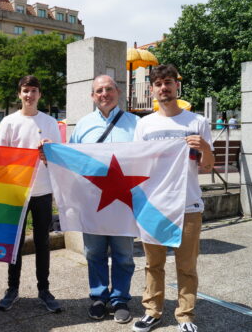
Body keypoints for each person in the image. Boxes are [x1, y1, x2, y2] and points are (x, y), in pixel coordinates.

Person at [132, 65, 214, 332]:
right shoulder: (144, 124)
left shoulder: (197, 122)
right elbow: (136, 164)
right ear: (152, 90)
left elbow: (208, 166)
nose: (163, 88)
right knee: (152, 264)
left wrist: (203, 147)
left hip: (187, 204)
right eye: (158, 84)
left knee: (187, 265)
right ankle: (152, 311)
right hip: (153, 205)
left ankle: (185, 315)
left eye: (168, 82)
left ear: (176, 86)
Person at [69, 75, 139, 324]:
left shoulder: (136, 123)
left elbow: (148, 159)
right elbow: (71, 160)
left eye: (109, 89)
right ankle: (99, 298)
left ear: (117, 92)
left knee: (123, 255)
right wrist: (50, 154)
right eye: (99, 90)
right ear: (92, 96)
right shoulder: (83, 125)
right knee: (94, 253)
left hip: (123, 203)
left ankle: (120, 299)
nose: (104, 94)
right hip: (93, 203)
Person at [0, 75, 62, 313]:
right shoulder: (8, 122)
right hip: (17, 191)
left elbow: (58, 157)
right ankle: (12, 288)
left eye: (33, 90)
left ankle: (44, 289)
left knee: (42, 242)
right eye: (25, 90)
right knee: (14, 242)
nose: (29, 95)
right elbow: (2, 158)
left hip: (43, 191)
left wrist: (49, 151)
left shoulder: (51, 123)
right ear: (19, 94)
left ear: (39, 95)